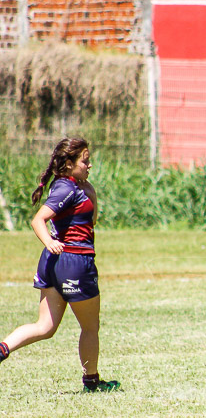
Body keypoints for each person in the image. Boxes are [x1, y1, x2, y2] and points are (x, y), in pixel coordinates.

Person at [0, 138, 119, 392]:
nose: (89, 165)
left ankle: (2, 349)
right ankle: (92, 382)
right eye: (85, 161)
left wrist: (92, 193)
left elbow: (91, 221)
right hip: (74, 261)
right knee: (90, 327)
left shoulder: (71, 186)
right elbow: (38, 220)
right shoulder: (67, 188)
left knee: (45, 327)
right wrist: (50, 241)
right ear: (69, 163)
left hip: (54, 264)